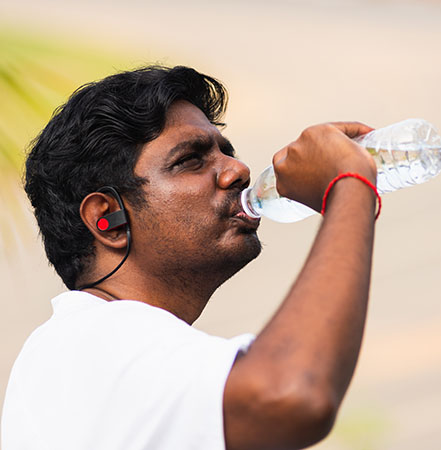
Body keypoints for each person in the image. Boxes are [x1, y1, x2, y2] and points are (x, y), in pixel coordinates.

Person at [1, 65, 378, 450]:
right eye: (190, 160)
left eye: (226, 151)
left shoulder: (100, 350)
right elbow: (294, 394)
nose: (239, 171)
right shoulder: (93, 340)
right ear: (107, 219)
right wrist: (349, 183)